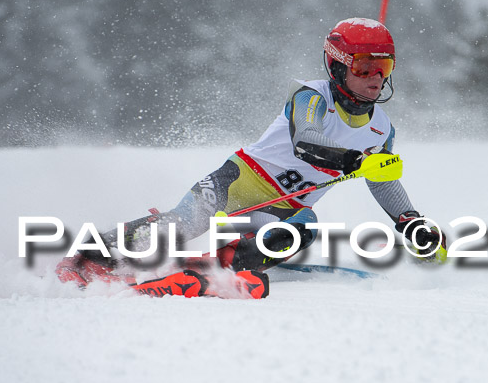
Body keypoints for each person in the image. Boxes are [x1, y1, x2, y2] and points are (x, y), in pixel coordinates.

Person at [56, 17, 447, 292]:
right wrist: (356, 162)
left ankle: (218, 267)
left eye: (383, 67)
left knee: (302, 227)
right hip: (239, 182)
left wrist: (411, 223)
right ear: (337, 66)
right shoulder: (312, 98)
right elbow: (306, 144)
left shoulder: (382, 128)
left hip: (283, 207)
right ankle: (87, 258)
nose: (376, 78)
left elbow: (384, 181)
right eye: (364, 67)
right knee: (182, 226)